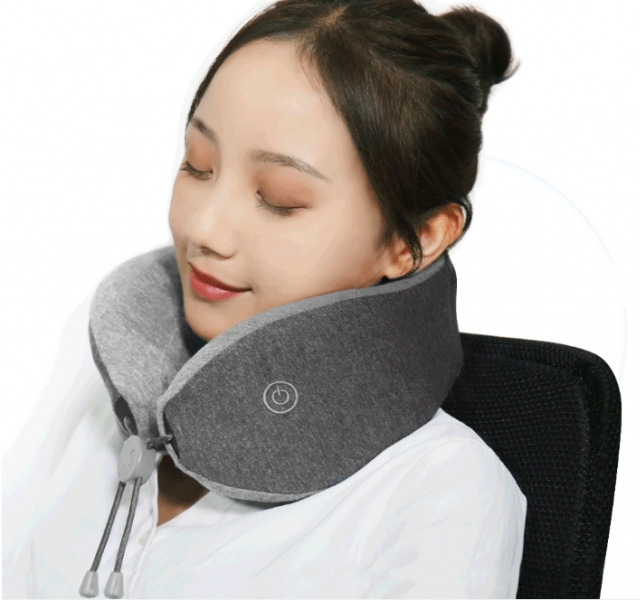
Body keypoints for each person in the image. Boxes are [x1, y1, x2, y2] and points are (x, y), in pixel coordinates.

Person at [3, 0, 526, 597]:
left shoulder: (439, 495)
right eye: (198, 166)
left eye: (280, 198)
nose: (205, 229)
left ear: (418, 240)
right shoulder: (103, 403)